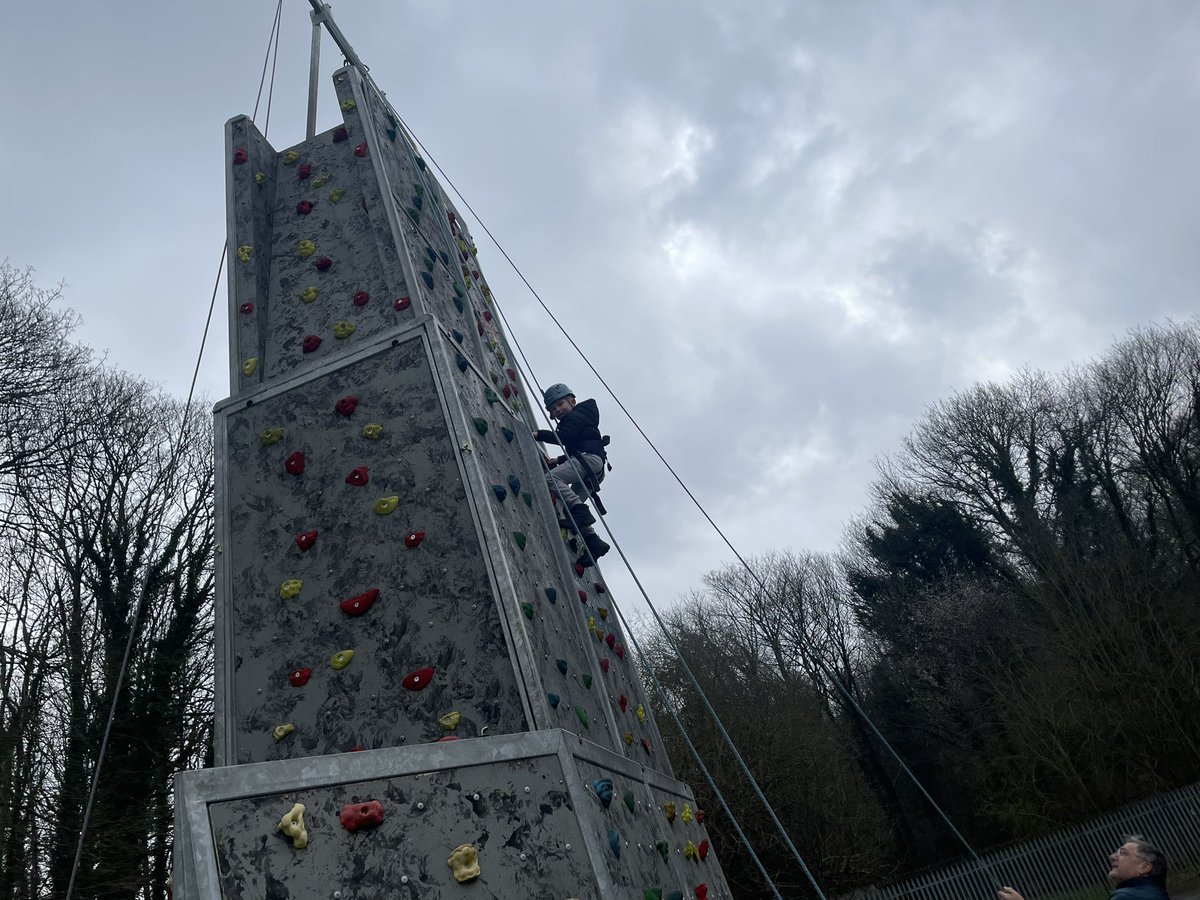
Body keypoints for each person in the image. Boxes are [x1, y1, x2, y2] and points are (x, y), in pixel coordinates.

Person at [534, 383, 611, 567]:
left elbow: (565, 437)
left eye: (560, 404)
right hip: (593, 467)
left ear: (572, 401)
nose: (558, 410)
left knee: (551, 479)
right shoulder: (582, 417)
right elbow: (578, 443)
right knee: (567, 505)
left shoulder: (575, 416)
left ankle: (581, 511)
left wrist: (538, 434)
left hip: (588, 460)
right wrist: (559, 461)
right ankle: (593, 541)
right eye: (553, 408)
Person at [997, 835, 1170, 900]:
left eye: (1123, 853)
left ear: (1144, 867)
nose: (1112, 856)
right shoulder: (1155, 893)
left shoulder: (1128, 898)